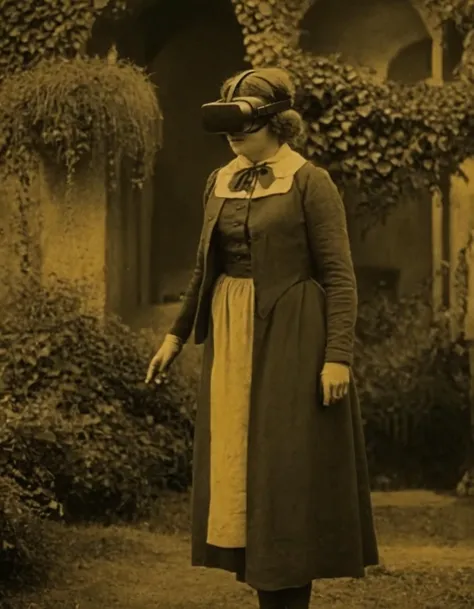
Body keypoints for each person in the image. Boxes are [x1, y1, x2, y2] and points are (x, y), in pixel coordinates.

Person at [146, 67, 379, 609]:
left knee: (285, 468)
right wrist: (175, 335)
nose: (233, 137)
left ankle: (288, 596)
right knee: (241, 466)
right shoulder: (220, 180)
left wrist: (337, 358)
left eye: (243, 126)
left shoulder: (309, 181)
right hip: (231, 336)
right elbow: (204, 269)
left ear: (276, 124)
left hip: (293, 334)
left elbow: (340, 277)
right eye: (225, 127)